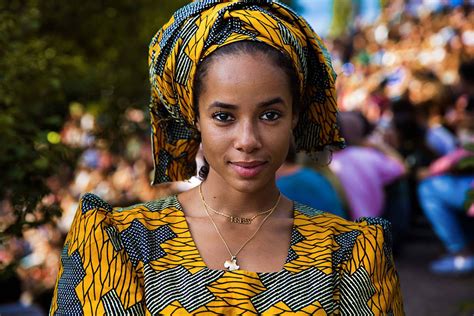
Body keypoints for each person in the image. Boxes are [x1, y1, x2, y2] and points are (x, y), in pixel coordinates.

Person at [50, 1, 404, 314]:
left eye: (270, 115)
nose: (247, 140)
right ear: (194, 117)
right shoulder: (120, 244)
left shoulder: (353, 254)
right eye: (224, 116)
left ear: (294, 116)